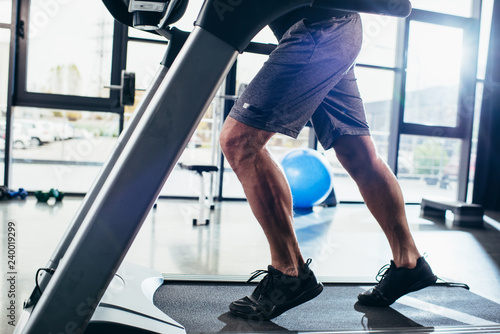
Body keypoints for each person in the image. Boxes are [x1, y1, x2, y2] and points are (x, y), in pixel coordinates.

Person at [219, 6, 437, 321]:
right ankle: (409, 264)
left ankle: (289, 272)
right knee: (357, 153)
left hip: (320, 30)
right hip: (332, 30)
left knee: (239, 142)